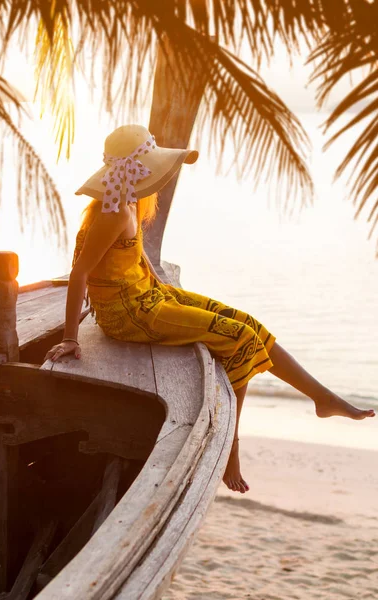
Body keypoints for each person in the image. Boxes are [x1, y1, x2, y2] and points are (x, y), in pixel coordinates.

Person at [44, 124, 375, 495]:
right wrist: (71, 338)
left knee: (249, 323)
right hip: (129, 314)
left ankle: (321, 396)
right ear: (136, 170)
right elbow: (81, 272)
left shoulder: (129, 202)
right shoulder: (114, 212)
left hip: (147, 298)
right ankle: (232, 447)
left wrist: (164, 287)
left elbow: (132, 258)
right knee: (240, 339)